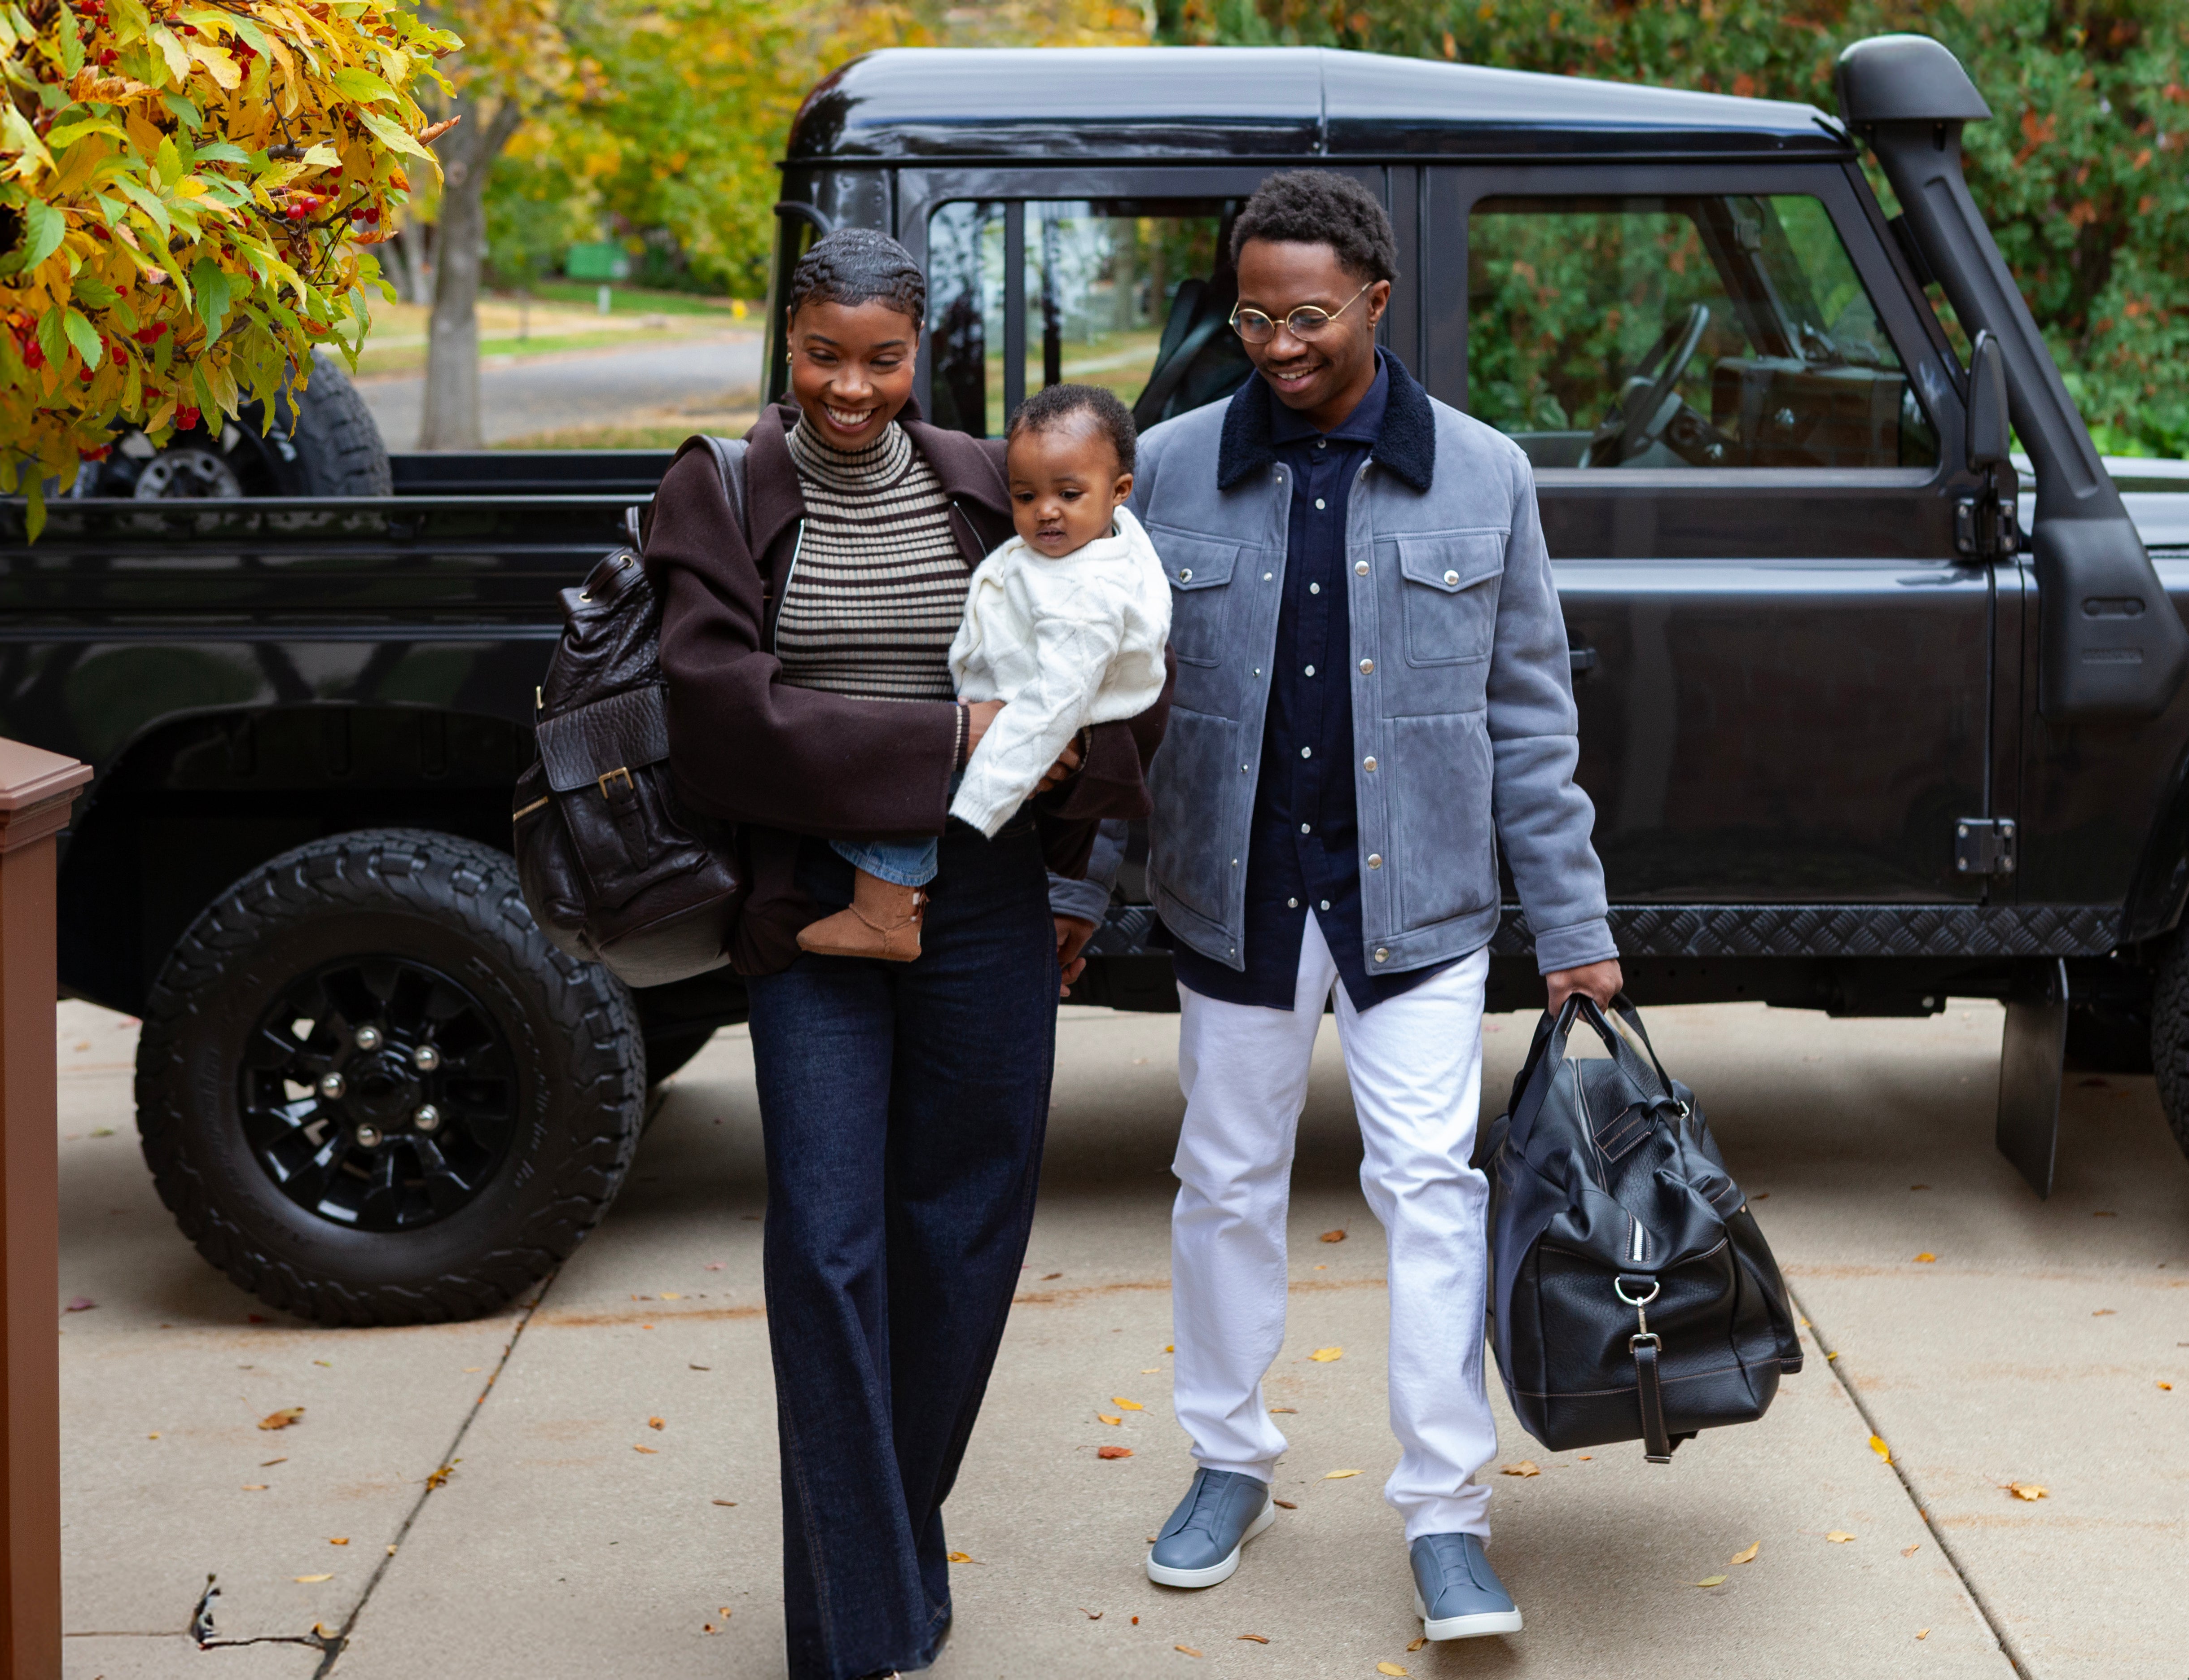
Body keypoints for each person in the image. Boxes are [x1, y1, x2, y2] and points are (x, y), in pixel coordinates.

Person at [641, 227, 1164, 1680]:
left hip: (988, 890)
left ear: (916, 351)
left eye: (880, 358)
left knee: (964, 1226)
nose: (850, 387)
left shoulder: (971, 478)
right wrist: (942, 743)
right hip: (809, 900)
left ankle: (883, 1538)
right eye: (822, 354)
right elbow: (718, 710)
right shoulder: (723, 488)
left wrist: (1078, 846)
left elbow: (1106, 654)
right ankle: (858, 1628)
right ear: (784, 340)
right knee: (825, 1242)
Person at [1122, 170, 1619, 1640]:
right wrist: (1083, 893)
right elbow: (1113, 707)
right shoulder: (1164, 468)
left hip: (1421, 915)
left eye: (1309, 316)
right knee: (1220, 1186)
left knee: (1430, 1193)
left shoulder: (1482, 475)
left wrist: (1574, 926)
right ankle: (1227, 1458)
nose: (1276, 342)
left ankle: (1447, 1518)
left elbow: (1530, 722)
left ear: (1377, 303)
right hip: (1232, 903)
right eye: (1252, 313)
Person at [801, 384, 1172, 962]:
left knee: (905, 785)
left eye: (1068, 494)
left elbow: (1056, 701)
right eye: (1024, 496)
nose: (1045, 510)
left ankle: (885, 914)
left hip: (1021, 728)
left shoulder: (1091, 595)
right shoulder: (1092, 544)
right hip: (1008, 710)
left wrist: (985, 790)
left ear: (1120, 491)